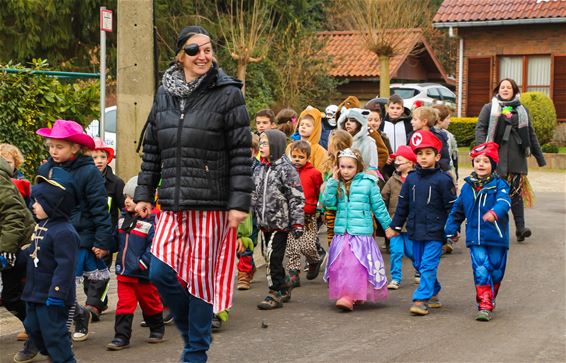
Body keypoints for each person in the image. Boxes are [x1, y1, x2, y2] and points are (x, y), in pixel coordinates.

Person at [134, 25, 252, 363]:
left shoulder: (228, 94)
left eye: (207, 49)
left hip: (211, 204)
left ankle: (196, 352)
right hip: (171, 202)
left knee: (200, 281)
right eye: (193, 50)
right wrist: (144, 192)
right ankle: (193, 329)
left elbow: (241, 154)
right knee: (158, 272)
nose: (203, 55)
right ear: (180, 56)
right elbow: (153, 150)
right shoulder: (164, 94)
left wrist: (238, 203)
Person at [36, 119, 113, 343]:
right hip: (48, 234)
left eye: (59, 147)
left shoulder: (89, 173)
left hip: (77, 237)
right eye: (50, 146)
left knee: (65, 285)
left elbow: (99, 208)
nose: (53, 151)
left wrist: (102, 241)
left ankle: (62, 331)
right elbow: (38, 200)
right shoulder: (46, 168)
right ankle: (80, 314)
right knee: (49, 283)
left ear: (75, 148)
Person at [389, 130, 457, 316]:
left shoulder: (443, 180)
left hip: (436, 233)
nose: (423, 157)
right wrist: (395, 227)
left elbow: (452, 208)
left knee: (427, 265)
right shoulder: (411, 179)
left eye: (428, 153)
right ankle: (434, 291)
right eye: (419, 153)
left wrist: (452, 230)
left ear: (437, 156)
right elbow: (402, 204)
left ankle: (420, 300)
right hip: (415, 231)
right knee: (419, 263)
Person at [321, 148, 395, 311]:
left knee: (356, 265)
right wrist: (333, 181)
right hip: (342, 233)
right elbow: (328, 202)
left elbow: (379, 207)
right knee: (341, 265)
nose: (345, 171)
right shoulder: (337, 183)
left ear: (358, 167)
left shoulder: (368, 183)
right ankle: (347, 294)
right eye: (342, 167)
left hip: (361, 234)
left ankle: (350, 295)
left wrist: (388, 227)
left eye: (350, 167)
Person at [445, 142, 511, 321]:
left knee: (496, 271)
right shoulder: (467, 187)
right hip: (476, 238)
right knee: (481, 269)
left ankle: (490, 296)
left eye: (486, 161)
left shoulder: (500, 185)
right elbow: (458, 210)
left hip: (497, 237)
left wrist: (494, 212)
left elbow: (504, 202)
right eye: (477, 161)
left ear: (493, 165)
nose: (481, 164)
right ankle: (484, 303)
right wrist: (451, 228)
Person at [475, 78, 546, 242]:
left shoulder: (522, 110)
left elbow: (531, 134)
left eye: (508, 87)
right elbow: (480, 128)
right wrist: (483, 150)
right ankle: (492, 228)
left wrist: (539, 157)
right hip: (495, 156)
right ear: (498, 90)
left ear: (514, 91)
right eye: (502, 87)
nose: (505, 89)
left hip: (516, 157)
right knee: (495, 193)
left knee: (516, 194)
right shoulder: (488, 108)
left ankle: (520, 229)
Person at [22, 168, 79, 363]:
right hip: (34, 292)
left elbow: (66, 266)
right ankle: (55, 355)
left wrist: (57, 293)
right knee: (32, 327)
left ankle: (64, 359)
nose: (33, 206)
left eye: (38, 202)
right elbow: (34, 252)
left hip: (52, 296)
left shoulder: (65, 232)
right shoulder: (42, 225)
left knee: (54, 334)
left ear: (53, 204)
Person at [106, 176, 164, 350]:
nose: (127, 201)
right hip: (124, 274)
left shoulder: (152, 222)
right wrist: (105, 245)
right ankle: (121, 337)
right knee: (124, 304)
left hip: (142, 273)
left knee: (150, 302)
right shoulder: (122, 220)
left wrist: (143, 263)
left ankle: (157, 328)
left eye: (132, 198)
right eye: (126, 198)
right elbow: (116, 242)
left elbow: (154, 247)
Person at [253, 129, 304, 309]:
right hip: (264, 222)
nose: (261, 146)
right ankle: (283, 283)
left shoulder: (286, 169)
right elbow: (254, 193)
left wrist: (297, 222)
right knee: (268, 256)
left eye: (265, 143)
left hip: (280, 223)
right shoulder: (259, 168)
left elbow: (296, 196)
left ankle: (276, 292)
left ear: (276, 145)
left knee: (274, 257)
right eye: (260, 143)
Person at [0, 156, 36, 359]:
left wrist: (6, 249)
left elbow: (13, 214)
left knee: (16, 296)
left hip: (17, 243)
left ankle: (38, 334)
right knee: (12, 298)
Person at [91, 137, 125, 317]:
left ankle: (93, 306)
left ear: (108, 159)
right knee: (89, 271)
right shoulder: (83, 180)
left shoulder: (116, 183)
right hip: (88, 234)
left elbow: (124, 208)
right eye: (94, 157)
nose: (98, 161)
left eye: (102, 157)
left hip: (106, 235)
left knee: (101, 268)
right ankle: (99, 302)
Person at [286, 141, 324, 287]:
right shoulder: (288, 171)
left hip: (308, 215)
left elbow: (319, 191)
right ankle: (294, 274)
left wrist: (318, 207)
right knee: (292, 246)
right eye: (294, 156)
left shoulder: (314, 173)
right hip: (292, 215)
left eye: (300, 157)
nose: (296, 159)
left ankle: (314, 260)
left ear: (308, 157)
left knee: (307, 245)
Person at [381, 145, 417, 290]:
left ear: (410, 163)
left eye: (400, 160)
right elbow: (383, 197)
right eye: (396, 160)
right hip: (394, 223)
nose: (396, 162)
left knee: (411, 252)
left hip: (411, 224)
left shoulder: (416, 179)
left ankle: (420, 270)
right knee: (396, 251)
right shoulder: (392, 180)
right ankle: (395, 278)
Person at [319, 130, 353, 245]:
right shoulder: (328, 163)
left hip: (341, 209)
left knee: (342, 241)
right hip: (330, 208)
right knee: (332, 242)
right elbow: (325, 188)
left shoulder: (346, 164)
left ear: (335, 145)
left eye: (329, 142)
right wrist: (322, 208)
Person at [287, 106, 329, 173]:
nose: (303, 127)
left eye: (308, 125)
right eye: (301, 124)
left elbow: (320, 173)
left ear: (315, 129)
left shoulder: (319, 150)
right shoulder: (290, 147)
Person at [409, 107, 451, 172]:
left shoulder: (437, 137)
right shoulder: (412, 136)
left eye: (415, 119)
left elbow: (444, 159)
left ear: (424, 122)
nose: (411, 122)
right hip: (417, 173)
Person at [337, 108, 379, 173]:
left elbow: (372, 168)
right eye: (346, 120)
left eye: (352, 120)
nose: (348, 123)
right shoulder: (340, 141)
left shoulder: (369, 142)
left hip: (361, 180)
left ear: (360, 123)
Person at [364, 99, 392, 172]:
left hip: (381, 172)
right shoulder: (362, 136)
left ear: (381, 121)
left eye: (376, 120)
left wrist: (387, 159)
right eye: (369, 120)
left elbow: (389, 155)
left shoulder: (384, 137)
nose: (373, 123)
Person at [433, 105, 458, 180]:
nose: (449, 121)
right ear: (439, 120)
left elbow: (454, 158)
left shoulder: (449, 136)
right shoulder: (432, 135)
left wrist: (455, 175)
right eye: (448, 118)